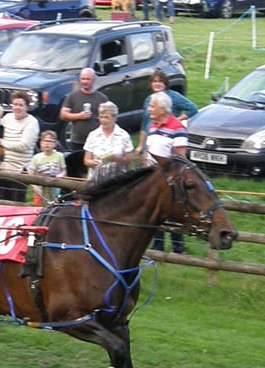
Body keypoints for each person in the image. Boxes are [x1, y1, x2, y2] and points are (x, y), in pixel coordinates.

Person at [145, 91, 188, 254]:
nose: (149, 109)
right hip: (152, 178)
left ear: (162, 109)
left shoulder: (178, 128)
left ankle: (178, 249)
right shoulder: (152, 126)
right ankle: (158, 246)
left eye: (152, 106)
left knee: (172, 213)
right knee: (155, 211)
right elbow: (148, 152)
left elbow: (180, 158)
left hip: (169, 179)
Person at [0, 90, 39, 202]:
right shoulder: (7, 118)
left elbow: (24, 145)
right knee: (2, 200)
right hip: (2, 167)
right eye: (15, 104)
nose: (17, 108)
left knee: (16, 202)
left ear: (27, 107)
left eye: (20, 105)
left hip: (20, 169)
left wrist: (1, 142)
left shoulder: (32, 123)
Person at [59, 67, 108, 178]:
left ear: (94, 79)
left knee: (95, 169)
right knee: (77, 170)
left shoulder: (102, 98)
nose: (85, 82)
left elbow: (109, 118)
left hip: (97, 142)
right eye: (83, 79)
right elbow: (63, 115)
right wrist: (78, 116)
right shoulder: (73, 96)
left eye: (88, 79)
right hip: (78, 141)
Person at [138, 70, 197, 152]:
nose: (157, 84)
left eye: (160, 81)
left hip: (166, 138)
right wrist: (141, 145)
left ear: (165, 84)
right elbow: (144, 124)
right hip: (150, 137)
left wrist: (178, 120)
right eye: (155, 81)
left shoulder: (174, 96)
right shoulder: (149, 99)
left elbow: (193, 109)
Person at [83, 101, 135, 182]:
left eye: (106, 117)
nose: (103, 120)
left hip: (117, 180)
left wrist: (119, 159)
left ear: (114, 118)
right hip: (96, 180)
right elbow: (86, 160)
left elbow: (130, 160)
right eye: (101, 117)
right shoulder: (93, 135)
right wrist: (92, 163)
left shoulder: (123, 135)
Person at [27, 130, 67, 203]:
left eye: (50, 141)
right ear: (41, 143)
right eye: (45, 141)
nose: (47, 144)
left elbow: (63, 170)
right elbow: (30, 173)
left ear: (55, 144)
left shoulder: (59, 156)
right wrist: (35, 187)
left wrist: (60, 175)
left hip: (55, 188)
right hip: (40, 187)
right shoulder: (36, 157)